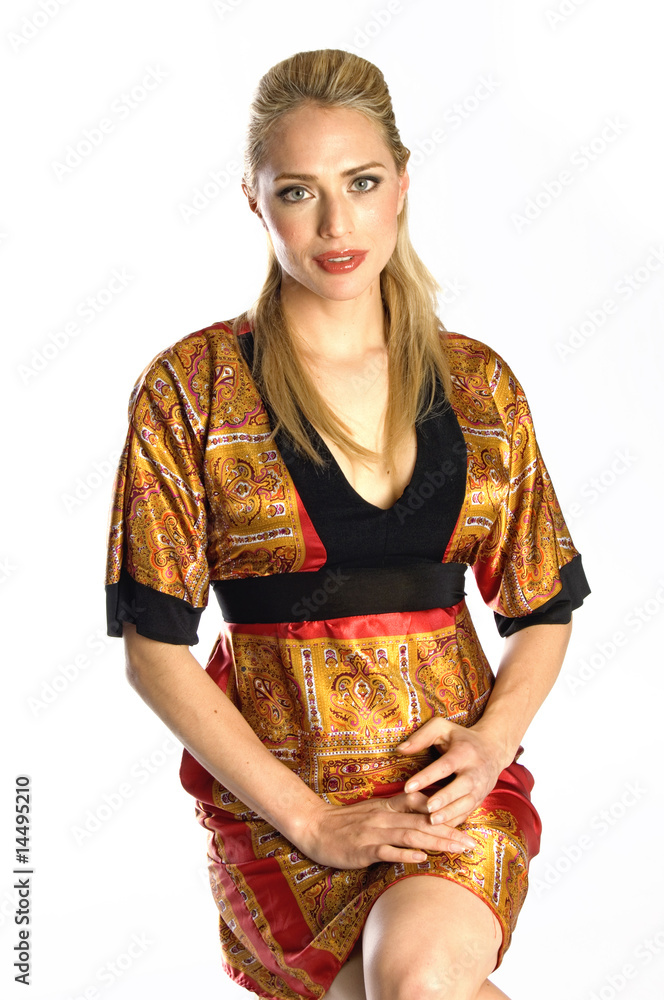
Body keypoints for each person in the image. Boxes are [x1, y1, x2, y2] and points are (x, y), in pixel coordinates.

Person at [104, 48, 590, 1000]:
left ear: (402, 183)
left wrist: (491, 744)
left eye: (361, 183)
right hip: (277, 812)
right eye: (299, 191)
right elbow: (153, 646)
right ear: (254, 202)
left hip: (445, 794)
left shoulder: (478, 385)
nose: (336, 224)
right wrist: (313, 823)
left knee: (416, 978)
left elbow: (543, 605)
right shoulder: (192, 388)